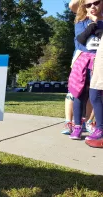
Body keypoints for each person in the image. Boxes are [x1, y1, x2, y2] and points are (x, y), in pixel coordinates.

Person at [68, 0, 103, 140]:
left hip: (99, 61)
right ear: (84, 7)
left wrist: (98, 23)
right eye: (88, 5)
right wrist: (93, 23)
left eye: (96, 3)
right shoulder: (80, 21)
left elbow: (100, 35)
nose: (92, 6)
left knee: (96, 94)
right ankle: (77, 127)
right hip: (82, 60)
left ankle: (99, 127)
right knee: (79, 94)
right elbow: (81, 39)